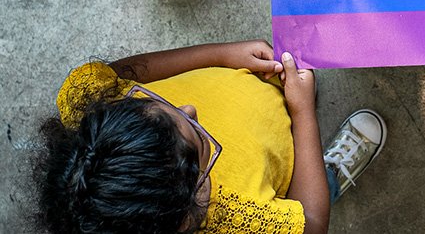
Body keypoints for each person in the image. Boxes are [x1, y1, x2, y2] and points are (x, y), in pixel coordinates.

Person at [35, 39, 386, 234]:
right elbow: (312, 223)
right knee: (312, 188)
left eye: (161, 104)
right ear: (191, 211)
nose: (190, 109)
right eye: (202, 142)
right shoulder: (237, 221)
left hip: (260, 100)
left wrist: (220, 54)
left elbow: (124, 73)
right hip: (286, 159)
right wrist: (303, 113)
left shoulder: (86, 104)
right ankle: (329, 174)